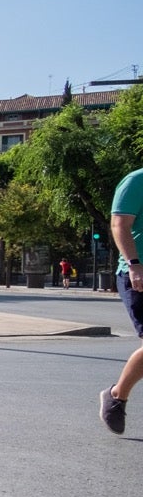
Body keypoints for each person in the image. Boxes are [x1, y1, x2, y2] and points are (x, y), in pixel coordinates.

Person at [99, 166, 143, 436]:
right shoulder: (136, 180)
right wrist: (134, 264)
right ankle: (117, 395)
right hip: (137, 273)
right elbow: (119, 224)